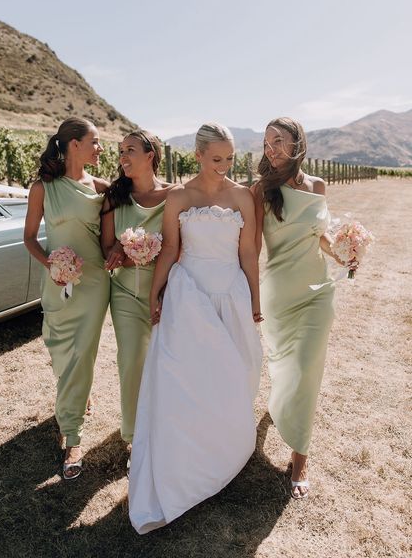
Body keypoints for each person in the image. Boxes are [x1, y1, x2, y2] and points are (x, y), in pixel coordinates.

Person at [128, 123, 263, 534]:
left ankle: (224, 448)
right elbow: (170, 249)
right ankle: (187, 458)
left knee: (235, 372)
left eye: (230, 159)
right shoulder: (178, 197)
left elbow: (249, 255)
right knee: (185, 378)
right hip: (189, 296)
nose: (224, 166)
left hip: (230, 293)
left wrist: (256, 301)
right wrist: (156, 293)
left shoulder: (242, 196)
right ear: (199, 155)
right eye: (216, 158)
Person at [252, 117, 344, 499]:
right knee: (283, 365)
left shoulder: (318, 186)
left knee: (307, 369)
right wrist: (251, 295)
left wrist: (344, 251)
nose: (271, 148)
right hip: (279, 293)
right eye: (266, 142)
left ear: (297, 143)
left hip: (317, 291)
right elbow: (251, 248)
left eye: (279, 140)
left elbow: (319, 236)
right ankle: (278, 406)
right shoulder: (260, 190)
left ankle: (300, 457)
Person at [24, 117, 110, 480]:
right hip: (56, 285)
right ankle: (77, 394)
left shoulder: (103, 188)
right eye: (94, 141)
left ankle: (71, 436)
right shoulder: (43, 187)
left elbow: (148, 194)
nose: (100, 149)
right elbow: (30, 238)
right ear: (74, 144)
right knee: (61, 350)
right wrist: (51, 264)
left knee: (82, 354)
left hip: (92, 285)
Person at [100, 130, 173, 449]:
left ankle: (166, 428)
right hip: (126, 295)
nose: (123, 157)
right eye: (120, 151)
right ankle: (133, 435)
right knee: (130, 362)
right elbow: (106, 250)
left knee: (168, 364)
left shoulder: (176, 195)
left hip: (169, 295)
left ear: (150, 155)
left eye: (130, 149)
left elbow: (182, 245)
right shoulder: (115, 197)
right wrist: (122, 252)